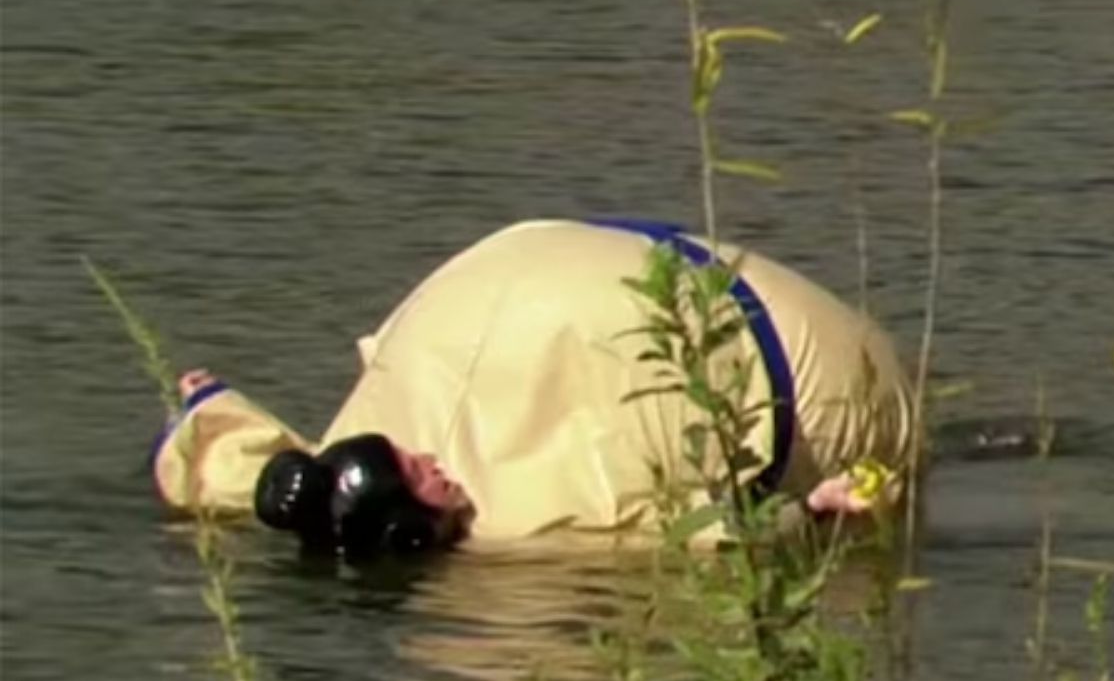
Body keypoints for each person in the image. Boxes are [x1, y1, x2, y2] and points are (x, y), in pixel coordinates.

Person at [151, 218, 915, 558]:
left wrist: (210, 408)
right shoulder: (524, 515)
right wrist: (814, 510)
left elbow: (247, 476)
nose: (434, 462)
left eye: (415, 458)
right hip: (815, 367)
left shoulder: (376, 437)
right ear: (411, 533)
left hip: (763, 333)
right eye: (422, 478)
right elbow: (688, 529)